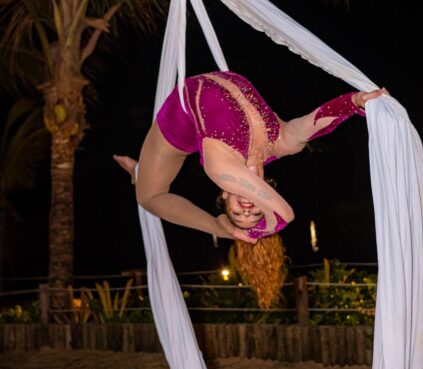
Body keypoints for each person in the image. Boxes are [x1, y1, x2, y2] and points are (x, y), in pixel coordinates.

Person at [114, 71, 387, 306]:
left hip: (180, 121)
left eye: (237, 213)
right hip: (221, 82)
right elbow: (313, 123)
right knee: (149, 192)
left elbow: (282, 215)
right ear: (265, 192)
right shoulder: (280, 142)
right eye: (255, 214)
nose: (247, 211)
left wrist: (223, 226)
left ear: (224, 193)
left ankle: (143, 176)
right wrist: (354, 102)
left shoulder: (220, 168)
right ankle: (146, 176)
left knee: (148, 197)